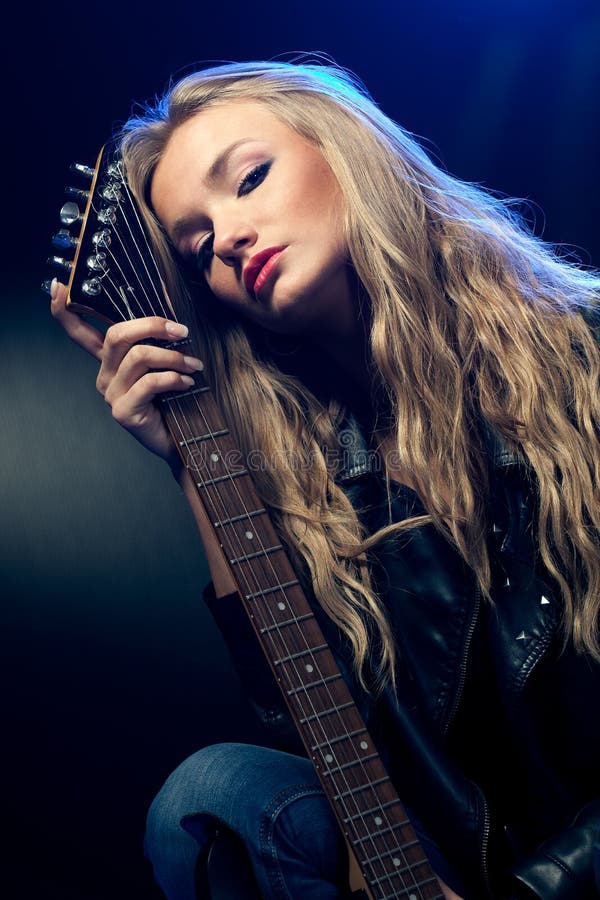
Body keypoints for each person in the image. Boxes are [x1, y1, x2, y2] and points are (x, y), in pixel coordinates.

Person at [49, 58, 600, 899]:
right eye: (198, 252)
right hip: (450, 863)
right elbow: (313, 727)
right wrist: (193, 457)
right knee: (210, 793)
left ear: (345, 149)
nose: (228, 239)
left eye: (251, 178)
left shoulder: (585, 357)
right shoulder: (315, 477)